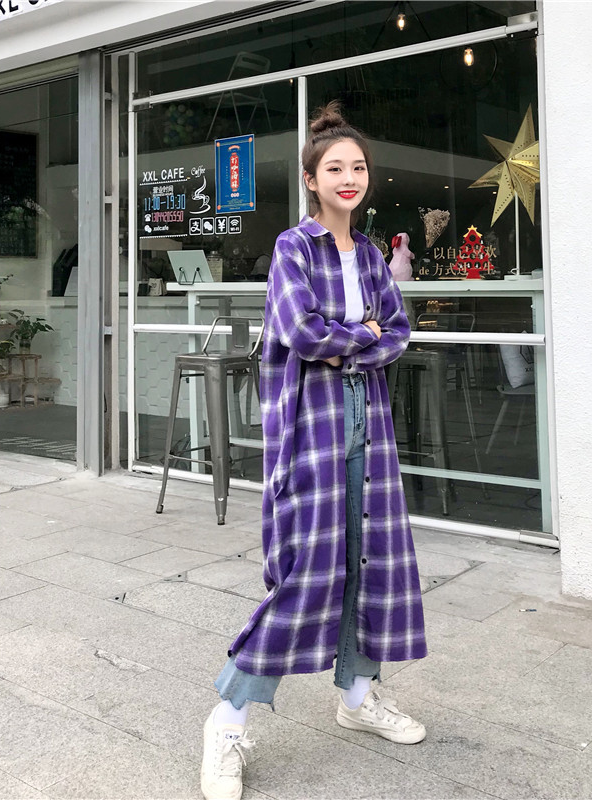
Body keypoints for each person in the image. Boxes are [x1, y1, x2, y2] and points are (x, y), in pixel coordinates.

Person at [200, 101, 428, 800]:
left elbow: (399, 331)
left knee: (368, 557)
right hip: (312, 427)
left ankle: (357, 695)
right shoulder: (292, 249)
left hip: (369, 425)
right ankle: (228, 721)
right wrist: (361, 336)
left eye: (358, 167)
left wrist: (350, 342)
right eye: (335, 168)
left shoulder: (372, 254)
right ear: (311, 179)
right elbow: (301, 332)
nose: (349, 177)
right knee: (306, 572)